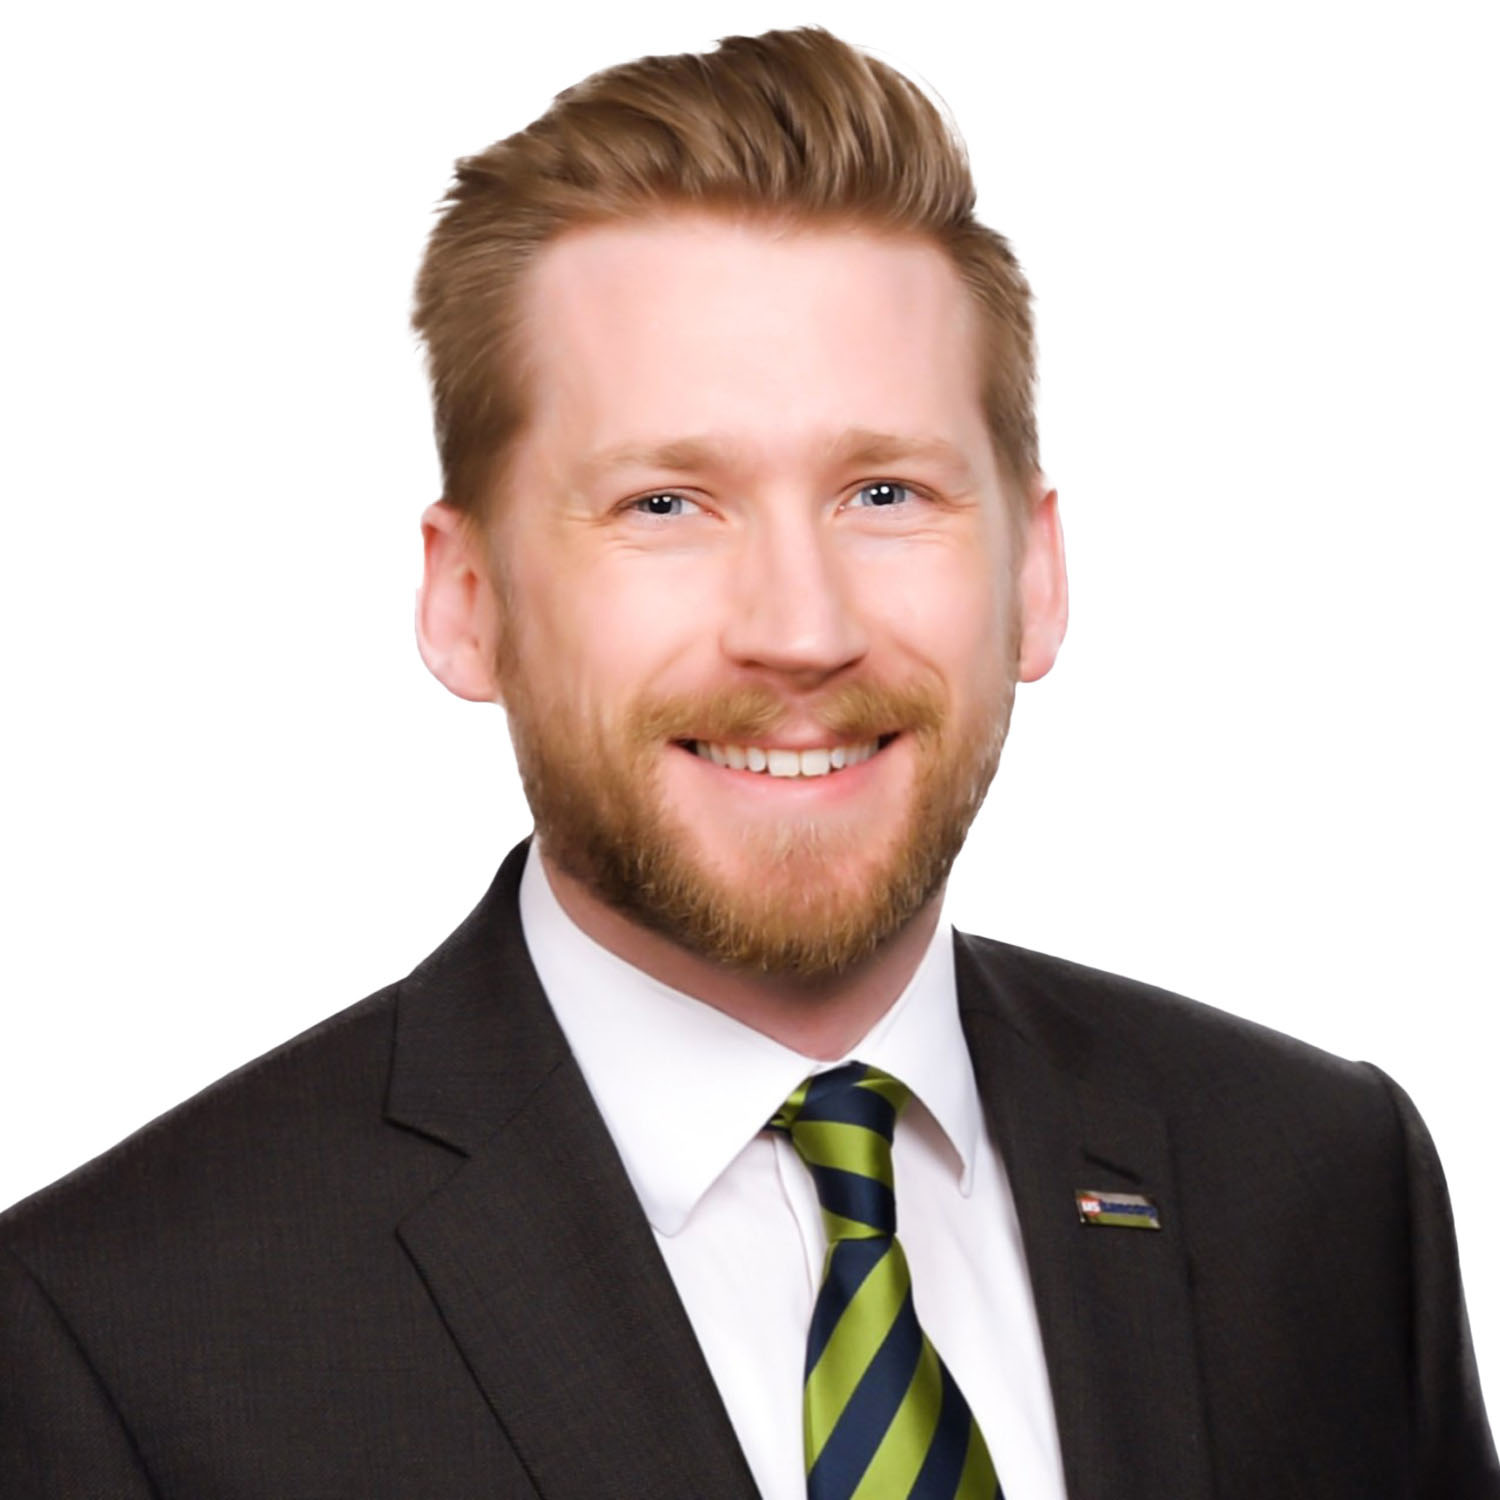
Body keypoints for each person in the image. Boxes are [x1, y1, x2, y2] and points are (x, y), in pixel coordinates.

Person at [1, 24, 1493, 1499]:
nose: (800, 629)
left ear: (1035, 576)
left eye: (885, 491)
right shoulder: (113, 1336)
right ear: (468, 602)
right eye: (664, 504)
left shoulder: (1321, 1186)